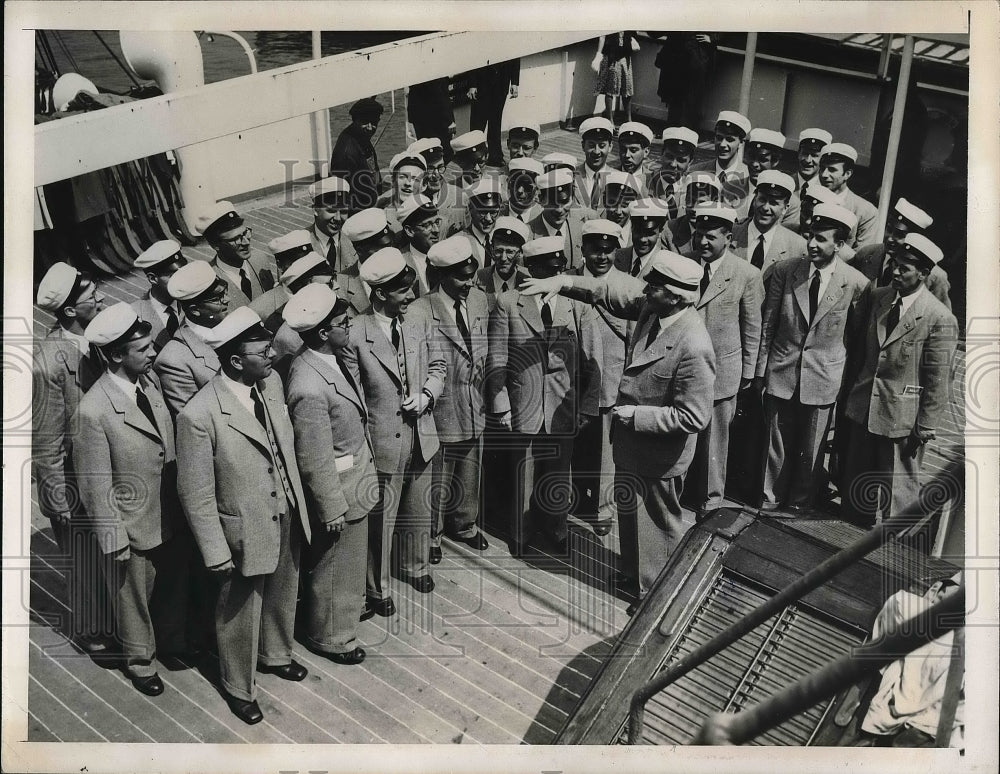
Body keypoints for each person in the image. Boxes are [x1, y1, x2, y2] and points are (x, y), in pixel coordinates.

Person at [518, 250, 715, 611]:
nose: (645, 290)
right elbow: (606, 292)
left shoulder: (694, 346)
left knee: (658, 524)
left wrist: (635, 416)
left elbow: (693, 417)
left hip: (658, 453)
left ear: (675, 296)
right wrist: (563, 282)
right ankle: (633, 573)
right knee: (632, 514)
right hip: (633, 447)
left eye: (653, 286)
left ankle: (656, 594)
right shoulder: (654, 309)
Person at [176, 306, 311, 725]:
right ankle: (238, 685)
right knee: (238, 610)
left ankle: (275, 654)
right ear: (235, 361)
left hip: (284, 510)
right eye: (263, 350)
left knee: (282, 591)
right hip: (241, 527)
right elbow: (195, 492)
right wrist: (215, 550)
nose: (272, 356)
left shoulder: (267, 388)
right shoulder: (198, 415)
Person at [73, 303, 189, 696]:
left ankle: (171, 643)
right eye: (143, 350)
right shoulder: (93, 411)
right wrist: (113, 536)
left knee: (169, 585)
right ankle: (140, 662)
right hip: (131, 521)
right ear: (116, 355)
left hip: (166, 511)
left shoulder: (149, 384)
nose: (153, 354)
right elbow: (95, 483)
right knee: (132, 599)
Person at [343, 247, 447, 615]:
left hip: (422, 434)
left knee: (419, 509)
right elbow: (352, 400)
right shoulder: (355, 333)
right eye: (402, 291)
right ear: (381, 293)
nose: (410, 297)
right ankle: (377, 587)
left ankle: (414, 564)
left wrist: (428, 394)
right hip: (383, 442)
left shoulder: (417, 320)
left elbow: (438, 364)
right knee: (381, 521)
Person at [486, 236, 602, 555]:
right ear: (531, 269)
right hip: (523, 401)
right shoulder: (508, 302)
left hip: (563, 404)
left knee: (558, 470)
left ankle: (556, 526)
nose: (554, 276)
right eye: (547, 270)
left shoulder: (577, 302)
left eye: (559, 269)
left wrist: (588, 405)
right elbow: (497, 357)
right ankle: (520, 531)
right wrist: (501, 405)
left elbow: (594, 357)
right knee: (522, 470)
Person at [283, 284, 379, 665]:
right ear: (323, 333)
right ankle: (331, 636)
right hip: (338, 490)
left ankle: (343, 616)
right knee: (333, 566)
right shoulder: (308, 385)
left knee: (348, 564)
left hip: (353, 481)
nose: (349, 327)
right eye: (343, 323)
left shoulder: (328, 360)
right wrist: (331, 506)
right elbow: (314, 456)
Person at [755, 202, 869, 510]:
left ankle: (799, 505)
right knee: (774, 445)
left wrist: (844, 384)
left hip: (824, 377)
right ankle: (768, 499)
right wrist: (761, 371)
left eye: (821, 238)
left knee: (812, 448)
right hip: (782, 370)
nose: (812, 244)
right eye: (810, 236)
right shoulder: (786, 271)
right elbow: (769, 325)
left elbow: (855, 339)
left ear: (840, 244)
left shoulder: (856, 284)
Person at [840, 233, 958, 526]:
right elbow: (860, 354)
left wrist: (926, 426)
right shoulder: (878, 297)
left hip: (901, 421)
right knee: (855, 490)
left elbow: (937, 379)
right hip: (863, 408)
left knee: (898, 497)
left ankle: (891, 556)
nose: (895, 272)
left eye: (904, 269)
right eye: (894, 264)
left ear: (923, 273)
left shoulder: (938, 317)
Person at [32, 262, 110, 651]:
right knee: (82, 556)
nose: (99, 297)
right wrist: (56, 496)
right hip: (74, 474)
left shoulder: (100, 339)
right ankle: (92, 632)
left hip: (108, 466)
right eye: (89, 295)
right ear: (68, 312)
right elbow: (45, 438)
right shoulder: (48, 361)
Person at [409, 236, 492, 562]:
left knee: (470, 472)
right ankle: (433, 534)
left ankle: (465, 524)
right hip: (441, 410)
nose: (469, 283)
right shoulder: (421, 310)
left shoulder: (479, 300)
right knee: (438, 476)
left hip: (474, 405)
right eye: (461, 277)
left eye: (472, 275)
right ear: (441, 276)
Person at [683, 206, 763, 519]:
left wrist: (748, 373)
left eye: (711, 236)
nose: (703, 241)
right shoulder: (685, 265)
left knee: (715, 441)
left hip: (723, 371)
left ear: (728, 238)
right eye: (699, 234)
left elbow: (752, 327)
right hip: (686, 369)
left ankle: (710, 501)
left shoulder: (746, 274)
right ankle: (680, 493)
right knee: (683, 434)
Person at [570, 220, 630, 536]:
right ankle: (577, 499)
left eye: (608, 251)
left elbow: (634, 341)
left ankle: (604, 509)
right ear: (584, 250)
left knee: (607, 450)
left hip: (611, 379)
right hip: (573, 380)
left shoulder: (628, 286)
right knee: (577, 445)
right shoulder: (569, 281)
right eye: (595, 250)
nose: (601, 257)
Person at [153, 261, 228, 415]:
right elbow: (196, 421)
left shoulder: (232, 322)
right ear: (195, 310)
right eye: (217, 299)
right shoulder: (173, 361)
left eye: (225, 292)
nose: (227, 300)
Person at [851, 198, 951, 310]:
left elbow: (941, 318)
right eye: (888, 229)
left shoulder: (934, 276)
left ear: (916, 238)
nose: (890, 238)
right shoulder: (867, 254)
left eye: (899, 235)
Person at [730, 170, 808, 285]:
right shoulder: (731, 234)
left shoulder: (798, 248)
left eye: (774, 203)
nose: (766, 208)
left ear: (785, 208)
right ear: (754, 199)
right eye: (762, 199)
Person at [197, 200, 277, 309]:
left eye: (245, 233)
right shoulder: (209, 280)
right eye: (235, 239)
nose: (246, 242)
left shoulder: (260, 259)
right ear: (215, 245)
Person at [526, 168, 597, 269]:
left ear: (572, 199)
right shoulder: (527, 234)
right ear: (541, 200)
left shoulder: (581, 230)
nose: (559, 210)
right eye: (552, 203)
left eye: (564, 202)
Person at [818, 142, 879, 249]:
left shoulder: (866, 211)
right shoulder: (808, 198)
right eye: (822, 168)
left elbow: (861, 256)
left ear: (847, 174)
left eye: (832, 169)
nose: (824, 175)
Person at [338, 208, 397, 317]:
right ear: (360, 251)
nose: (387, 253)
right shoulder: (340, 285)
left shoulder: (401, 268)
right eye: (380, 249)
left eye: (390, 246)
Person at [131, 241, 188, 352]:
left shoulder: (194, 299)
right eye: (173, 275)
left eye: (183, 271)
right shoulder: (135, 315)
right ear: (153, 279)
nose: (182, 279)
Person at [329, 97, 384, 211]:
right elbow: (342, 196)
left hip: (372, 204)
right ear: (355, 120)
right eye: (365, 122)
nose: (370, 128)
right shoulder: (346, 153)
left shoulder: (361, 136)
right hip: (359, 212)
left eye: (374, 123)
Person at [652, 33, 717, 128]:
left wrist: (713, 38)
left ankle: (686, 135)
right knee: (674, 100)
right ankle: (672, 134)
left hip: (694, 61)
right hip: (675, 60)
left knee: (691, 101)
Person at [689, 110, 751, 208]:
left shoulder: (748, 177)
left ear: (741, 143)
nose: (722, 144)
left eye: (730, 139)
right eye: (719, 138)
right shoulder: (695, 171)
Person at [740, 128, 800, 228]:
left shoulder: (791, 202)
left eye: (762, 160)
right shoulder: (730, 189)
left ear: (775, 161)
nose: (755, 164)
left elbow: (785, 237)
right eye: (751, 157)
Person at [467, 58, 520, 167]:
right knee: (478, 123)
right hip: (482, 83)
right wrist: (472, 84)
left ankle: (495, 157)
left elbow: (516, 55)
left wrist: (514, 82)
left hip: (501, 82)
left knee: (495, 121)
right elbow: (472, 55)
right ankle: (474, 157)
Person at [475, 216, 531, 310]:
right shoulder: (478, 279)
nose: (503, 258)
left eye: (510, 252)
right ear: (492, 249)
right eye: (499, 251)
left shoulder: (528, 279)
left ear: (520, 253)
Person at [305, 176, 356, 274]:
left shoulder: (355, 242)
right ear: (315, 209)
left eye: (344, 211)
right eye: (331, 210)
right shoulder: (300, 244)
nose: (337, 218)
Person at [447, 179, 504, 266]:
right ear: (470, 209)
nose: (488, 219)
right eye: (482, 212)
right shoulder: (457, 242)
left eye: (493, 212)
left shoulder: (503, 240)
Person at [397, 194, 444, 296]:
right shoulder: (399, 263)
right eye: (427, 225)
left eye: (437, 222)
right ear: (409, 231)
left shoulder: (449, 256)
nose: (436, 230)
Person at [650, 127, 700, 219]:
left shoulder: (694, 191)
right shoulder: (642, 184)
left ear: (690, 162)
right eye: (669, 156)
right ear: (662, 154)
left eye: (681, 160)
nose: (673, 164)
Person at [615, 198, 671, 278]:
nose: (642, 239)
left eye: (649, 233)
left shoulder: (666, 265)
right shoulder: (616, 256)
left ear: (660, 231)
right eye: (638, 231)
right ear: (631, 227)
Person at [407, 77, 456, 165]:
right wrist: (450, 120)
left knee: (426, 151)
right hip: (437, 118)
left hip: (418, 115)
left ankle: (430, 175)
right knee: (444, 152)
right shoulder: (435, 71)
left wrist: (411, 119)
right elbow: (440, 95)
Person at [592, 32, 638, 125]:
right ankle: (610, 121)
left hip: (625, 56)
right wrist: (598, 55)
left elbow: (633, 35)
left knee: (627, 88)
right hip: (611, 56)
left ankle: (628, 120)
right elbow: (602, 37)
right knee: (610, 88)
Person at [378, 151, 427, 237]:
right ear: (393, 181)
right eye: (402, 177)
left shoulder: (432, 215)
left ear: (424, 186)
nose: (408, 183)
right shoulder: (381, 220)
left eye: (415, 179)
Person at [574, 117, 615, 211]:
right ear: (583, 146)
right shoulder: (572, 176)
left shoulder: (618, 177)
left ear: (610, 147)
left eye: (602, 146)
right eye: (591, 145)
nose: (596, 152)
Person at [794, 128, 833, 209]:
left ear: (823, 160)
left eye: (814, 155)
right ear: (798, 154)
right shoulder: (787, 182)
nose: (808, 160)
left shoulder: (827, 191)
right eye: (804, 153)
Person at [615, 121, 655, 194]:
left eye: (633, 150)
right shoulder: (609, 176)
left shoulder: (653, 181)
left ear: (646, 152)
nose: (627, 155)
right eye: (623, 149)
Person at [504, 158, 544, 223]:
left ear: (537, 188)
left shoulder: (544, 216)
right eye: (515, 183)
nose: (520, 190)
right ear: (508, 183)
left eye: (527, 186)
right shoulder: (495, 214)